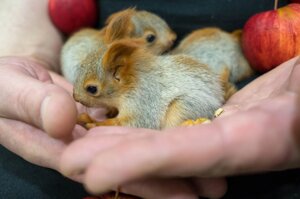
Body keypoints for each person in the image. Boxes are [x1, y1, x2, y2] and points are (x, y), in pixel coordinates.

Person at [1, 0, 299, 199]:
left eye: (91, 90)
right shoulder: (122, 81)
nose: (80, 98)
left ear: (119, 75)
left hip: (225, 94)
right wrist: (27, 49)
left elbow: (138, 119)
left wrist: (97, 123)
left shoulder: (135, 89)